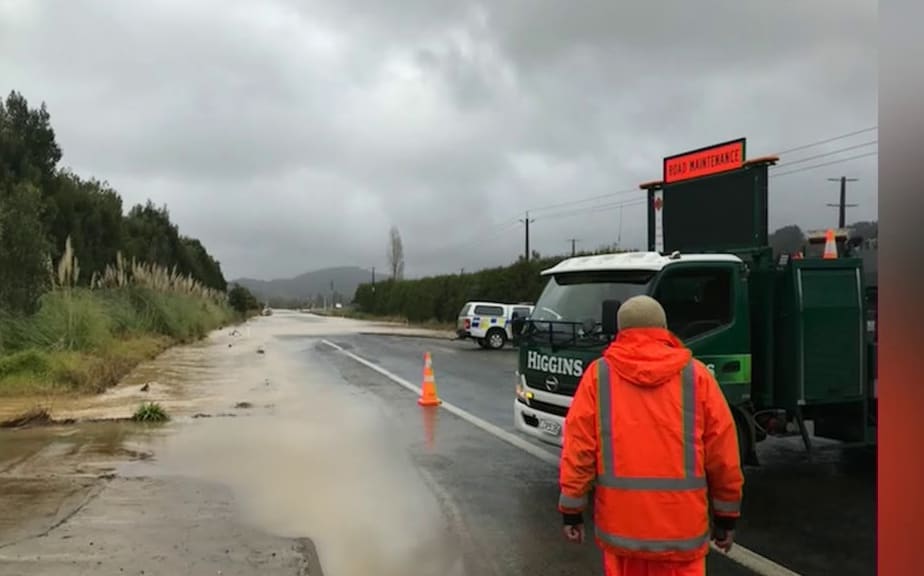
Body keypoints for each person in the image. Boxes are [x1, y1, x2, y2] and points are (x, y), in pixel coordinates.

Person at [558, 295, 744, 576]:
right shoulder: (696, 376)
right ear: (665, 329)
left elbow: (579, 448)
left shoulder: (599, 376)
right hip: (681, 532)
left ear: (620, 331)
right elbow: (723, 454)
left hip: (621, 531)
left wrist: (571, 510)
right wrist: (726, 518)